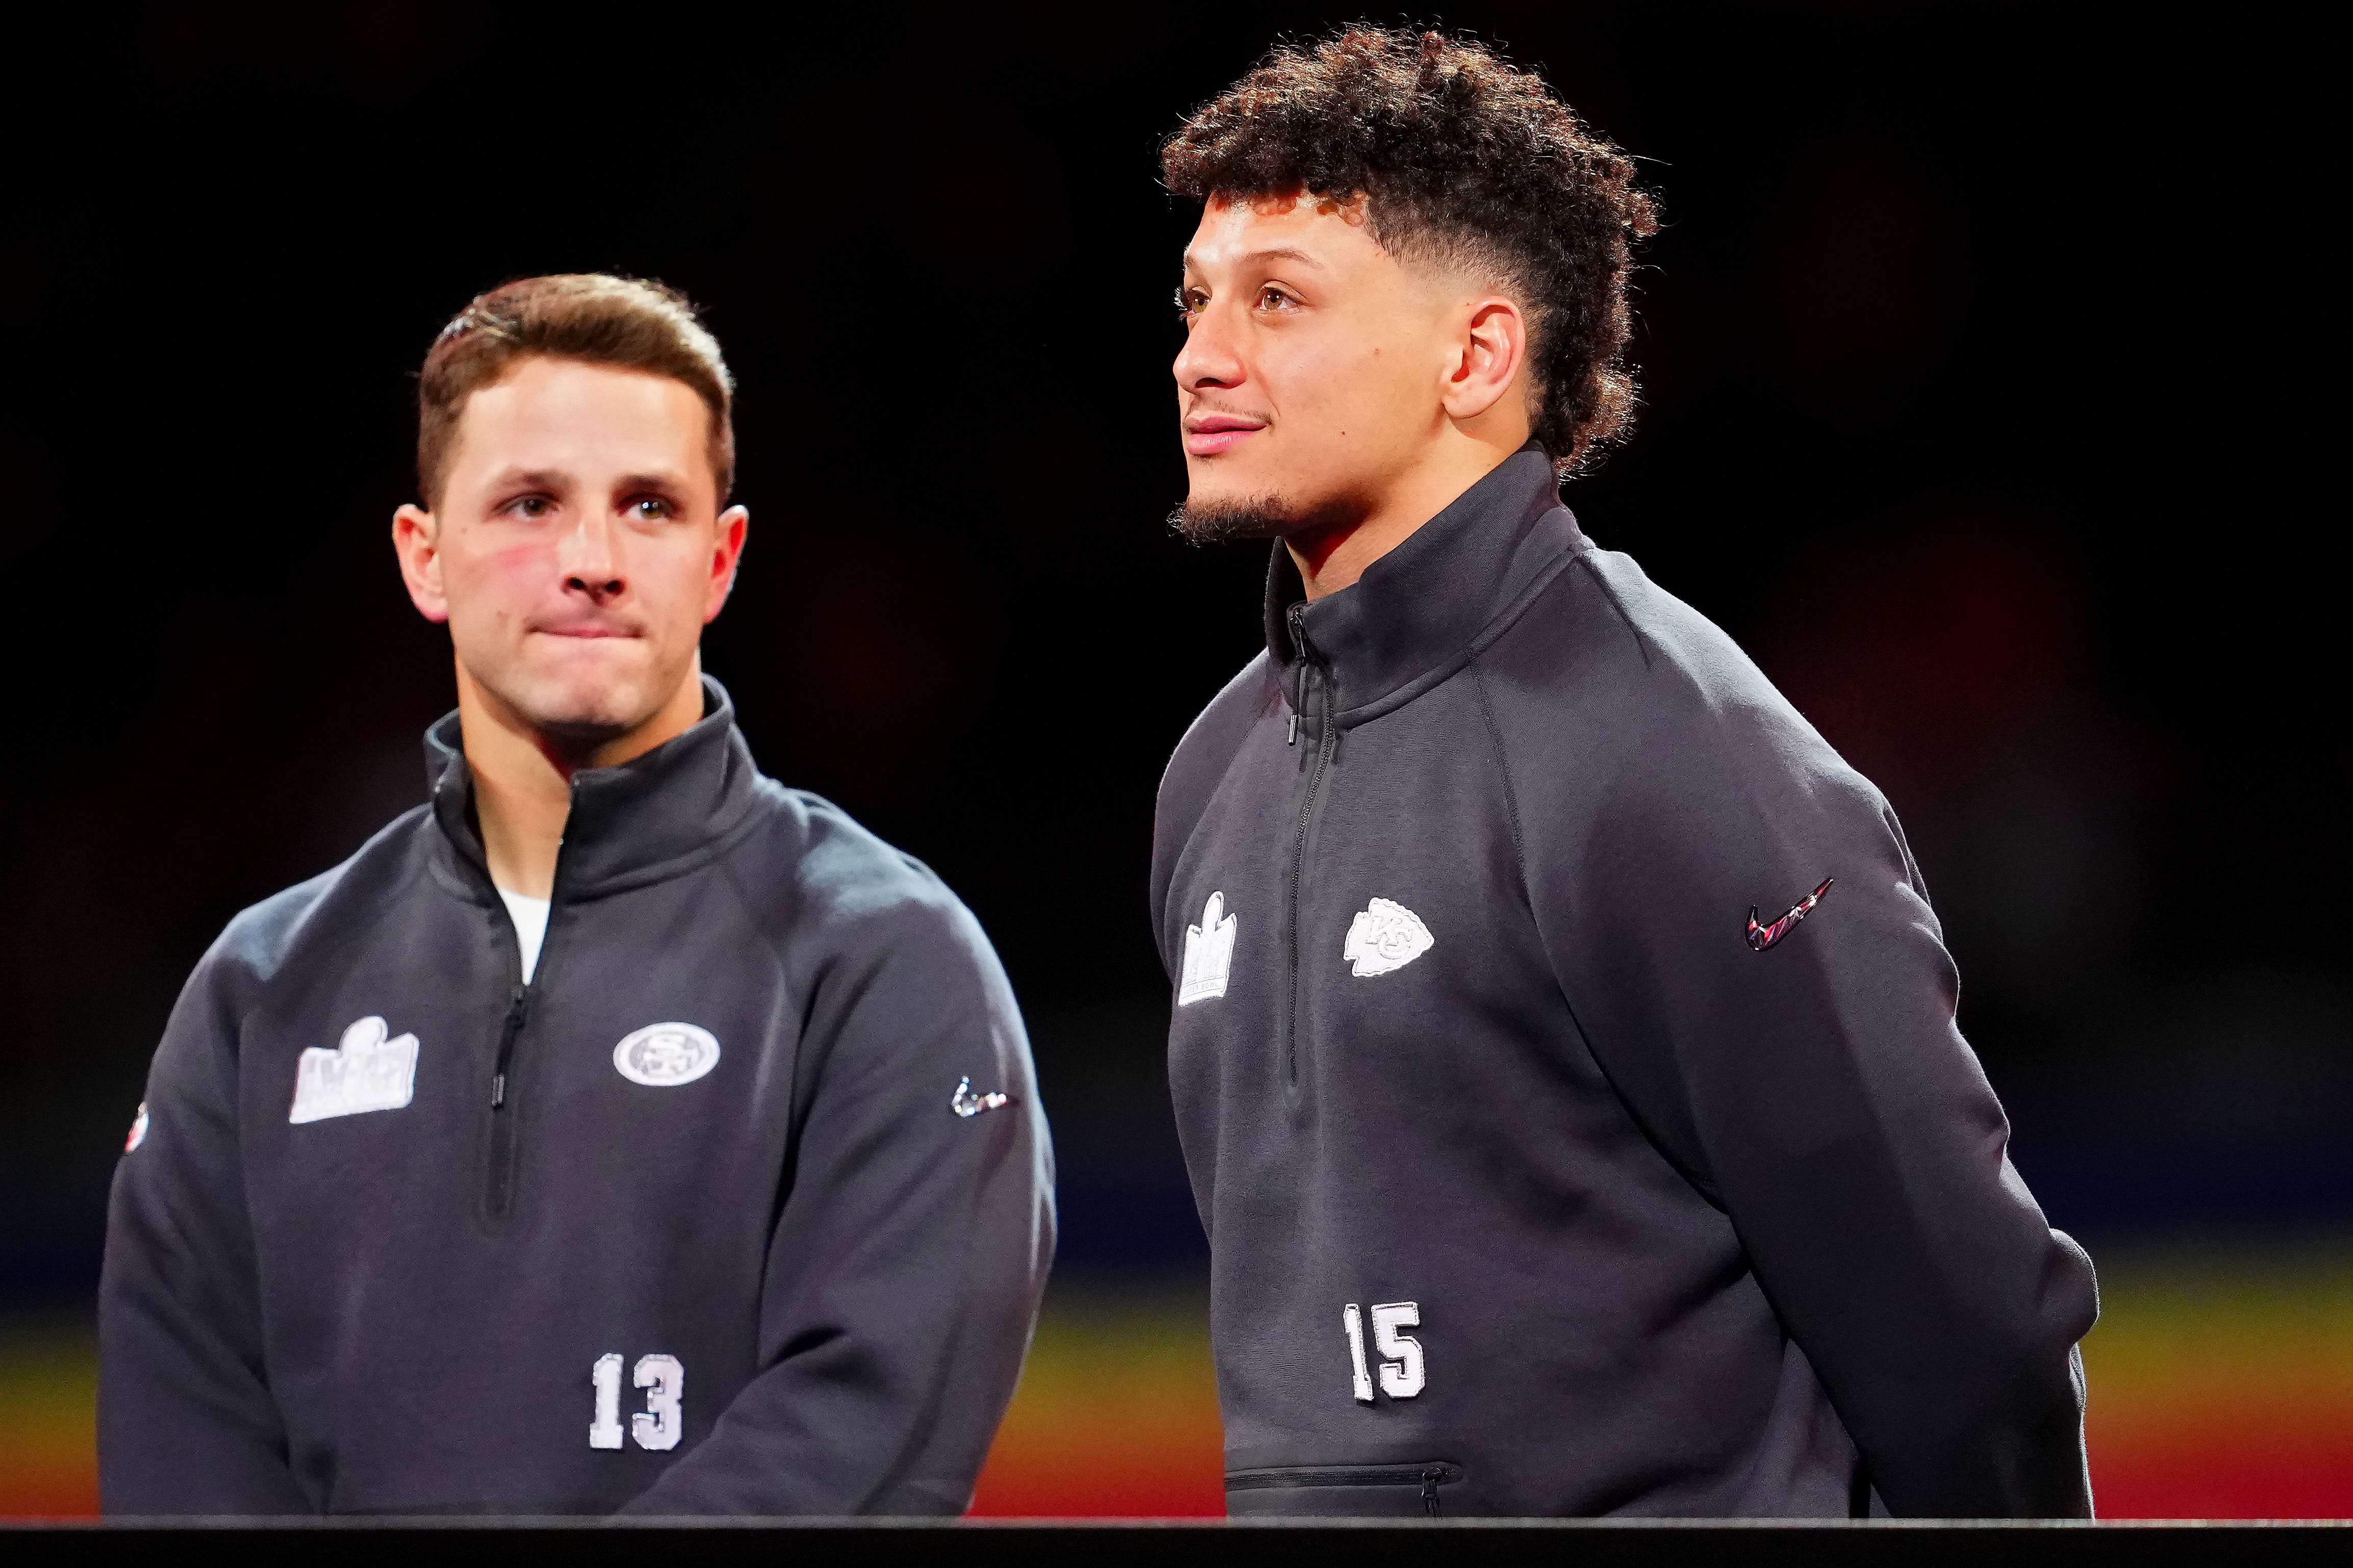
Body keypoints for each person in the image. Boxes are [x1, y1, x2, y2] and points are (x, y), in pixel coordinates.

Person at [1150, 30, 2096, 1519]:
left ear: (1474, 354)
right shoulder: (1213, 774)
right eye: (1198, 299)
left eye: (1277, 299)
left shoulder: (1666, 750)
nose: (1202, 353)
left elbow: (1965, 1334)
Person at [100, 274, 1053, 1515]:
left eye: (648, 506)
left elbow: (871, 1415)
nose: (593, 561)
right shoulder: (261, 986)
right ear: (423, 556)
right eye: (531, 504)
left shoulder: (884, 957)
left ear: (719, 561)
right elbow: (184, 1445)